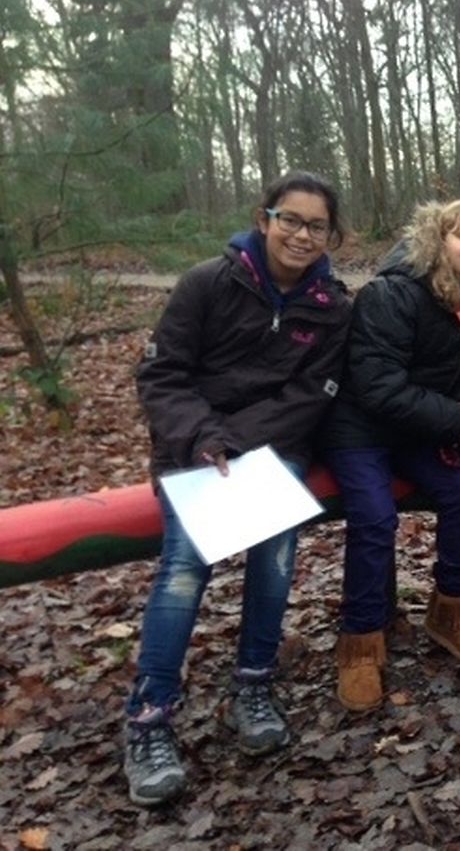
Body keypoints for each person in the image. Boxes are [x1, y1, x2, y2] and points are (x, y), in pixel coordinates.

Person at [123, 171, 353, 806]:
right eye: (291, 220)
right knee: (183, 569)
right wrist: (206, 439)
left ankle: (253, 684)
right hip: (193, 450)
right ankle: (149, 717)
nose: (302, 235)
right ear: (264, 218)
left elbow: (314, 392)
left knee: (275, 557)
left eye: (317, 226)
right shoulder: (207, 283)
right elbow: (162, 375)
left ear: (331, 235)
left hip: (274, 453)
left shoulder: (332, 306)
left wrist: (240, 441)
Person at [324, 197, 460, 713]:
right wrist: (454, 418)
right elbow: (376, 384)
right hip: (360, 428)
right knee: (373, 515)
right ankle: (361, 642)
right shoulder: (393, 293)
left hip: (418, 427)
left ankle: (452, 611)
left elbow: (459, 369)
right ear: (439, 238)